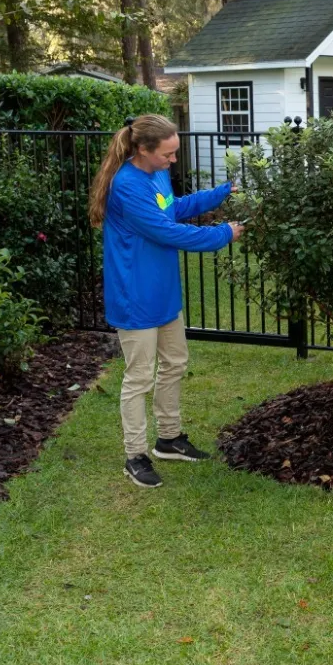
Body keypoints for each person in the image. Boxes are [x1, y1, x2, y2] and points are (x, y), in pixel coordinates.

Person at [88, 114, 242, 489]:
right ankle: (135, 455)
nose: (173, 161)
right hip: (135, 294)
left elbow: (172, 208)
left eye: (175, 154)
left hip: (162, 289)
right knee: (139, 376)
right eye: (168, 155)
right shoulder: (126, 185)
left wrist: (223, 191)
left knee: (175, 362)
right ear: (143, 149)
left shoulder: (156, 174)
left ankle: (169, 439)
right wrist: (224, 233)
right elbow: (166, 231)